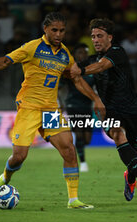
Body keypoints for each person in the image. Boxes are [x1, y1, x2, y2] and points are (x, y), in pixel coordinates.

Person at [0, 12, 105, 209]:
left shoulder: (65, 54)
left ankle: (73, 200)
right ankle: (3, 179)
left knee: (69, 149)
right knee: (19, 156)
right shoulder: (32, 47)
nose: (59, 34)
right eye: (54, 30)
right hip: (29, 108)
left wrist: (96, 99)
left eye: (62, 31)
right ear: (45, 29)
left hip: (50, 110)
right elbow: (6, 61)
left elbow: (76, 79)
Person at [70, 18, 137, 201]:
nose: (95, 40)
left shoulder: (118, 52)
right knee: (117, 134)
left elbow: (100, 67)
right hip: (110, 111)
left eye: (99, 36)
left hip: (132, 110)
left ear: (110, 37)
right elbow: (75, 76)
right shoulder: (90, 60)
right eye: (93, 36)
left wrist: (80, 71)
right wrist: (95, 98)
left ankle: (130, 178)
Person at [59, 43, 95, 172]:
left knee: (87, 139)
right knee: (79, 134)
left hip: (87, 107)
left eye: (85, 52)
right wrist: (59, 102)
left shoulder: (92, 70)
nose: (83, 55)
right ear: (75, 55)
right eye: (80, 52)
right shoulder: (71, 70)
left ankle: (78, 150)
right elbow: (58, 87)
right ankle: (83, 163)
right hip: (73, 106)